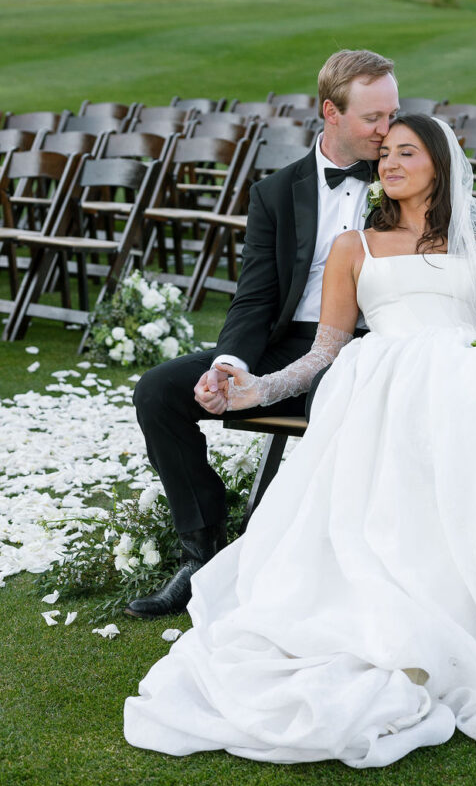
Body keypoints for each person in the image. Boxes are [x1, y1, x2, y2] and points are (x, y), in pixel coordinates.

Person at [124, 115, 476, 768]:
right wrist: (255, 391)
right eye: (387, 152)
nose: (392, 161)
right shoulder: (354, 245)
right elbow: (323, 352)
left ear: (440, 164)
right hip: (389, 374)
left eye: (408, 151)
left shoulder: (474, 241)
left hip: (473, 363)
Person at [126, 49, 400, 619]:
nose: (387, 129)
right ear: (331, 112)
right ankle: (202, 553)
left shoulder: (402, 173)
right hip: (289, 339)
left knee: (346, 402)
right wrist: (229, 365)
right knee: (157, 391)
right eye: (373, 118)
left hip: (374, 347)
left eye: (392, 114)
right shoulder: (276, 192)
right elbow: (253, 298)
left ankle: (326, 563)